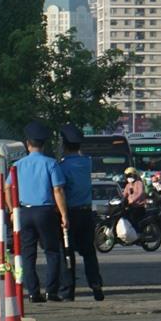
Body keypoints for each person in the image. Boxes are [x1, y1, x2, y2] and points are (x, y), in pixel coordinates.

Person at [12, 121, 70, 303]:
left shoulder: (18, 165)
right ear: (43, 144)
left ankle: (33, 292)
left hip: (24, 211)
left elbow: (7, 187)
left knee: (28, 254)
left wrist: (12, 209)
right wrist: (64, 215)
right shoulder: (51, 163)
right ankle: (51, 291)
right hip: (45, 212)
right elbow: (58, 190)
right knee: (52, 251)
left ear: (27, 144)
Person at [57, 125, 104, 302]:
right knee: (89, 252)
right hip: (86, 212)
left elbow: (59, 188)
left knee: (67, 252)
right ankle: (96, 284)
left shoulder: (62, 166)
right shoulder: (87, 162)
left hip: (69, 213)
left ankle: (68, 290)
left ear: (65, 145)